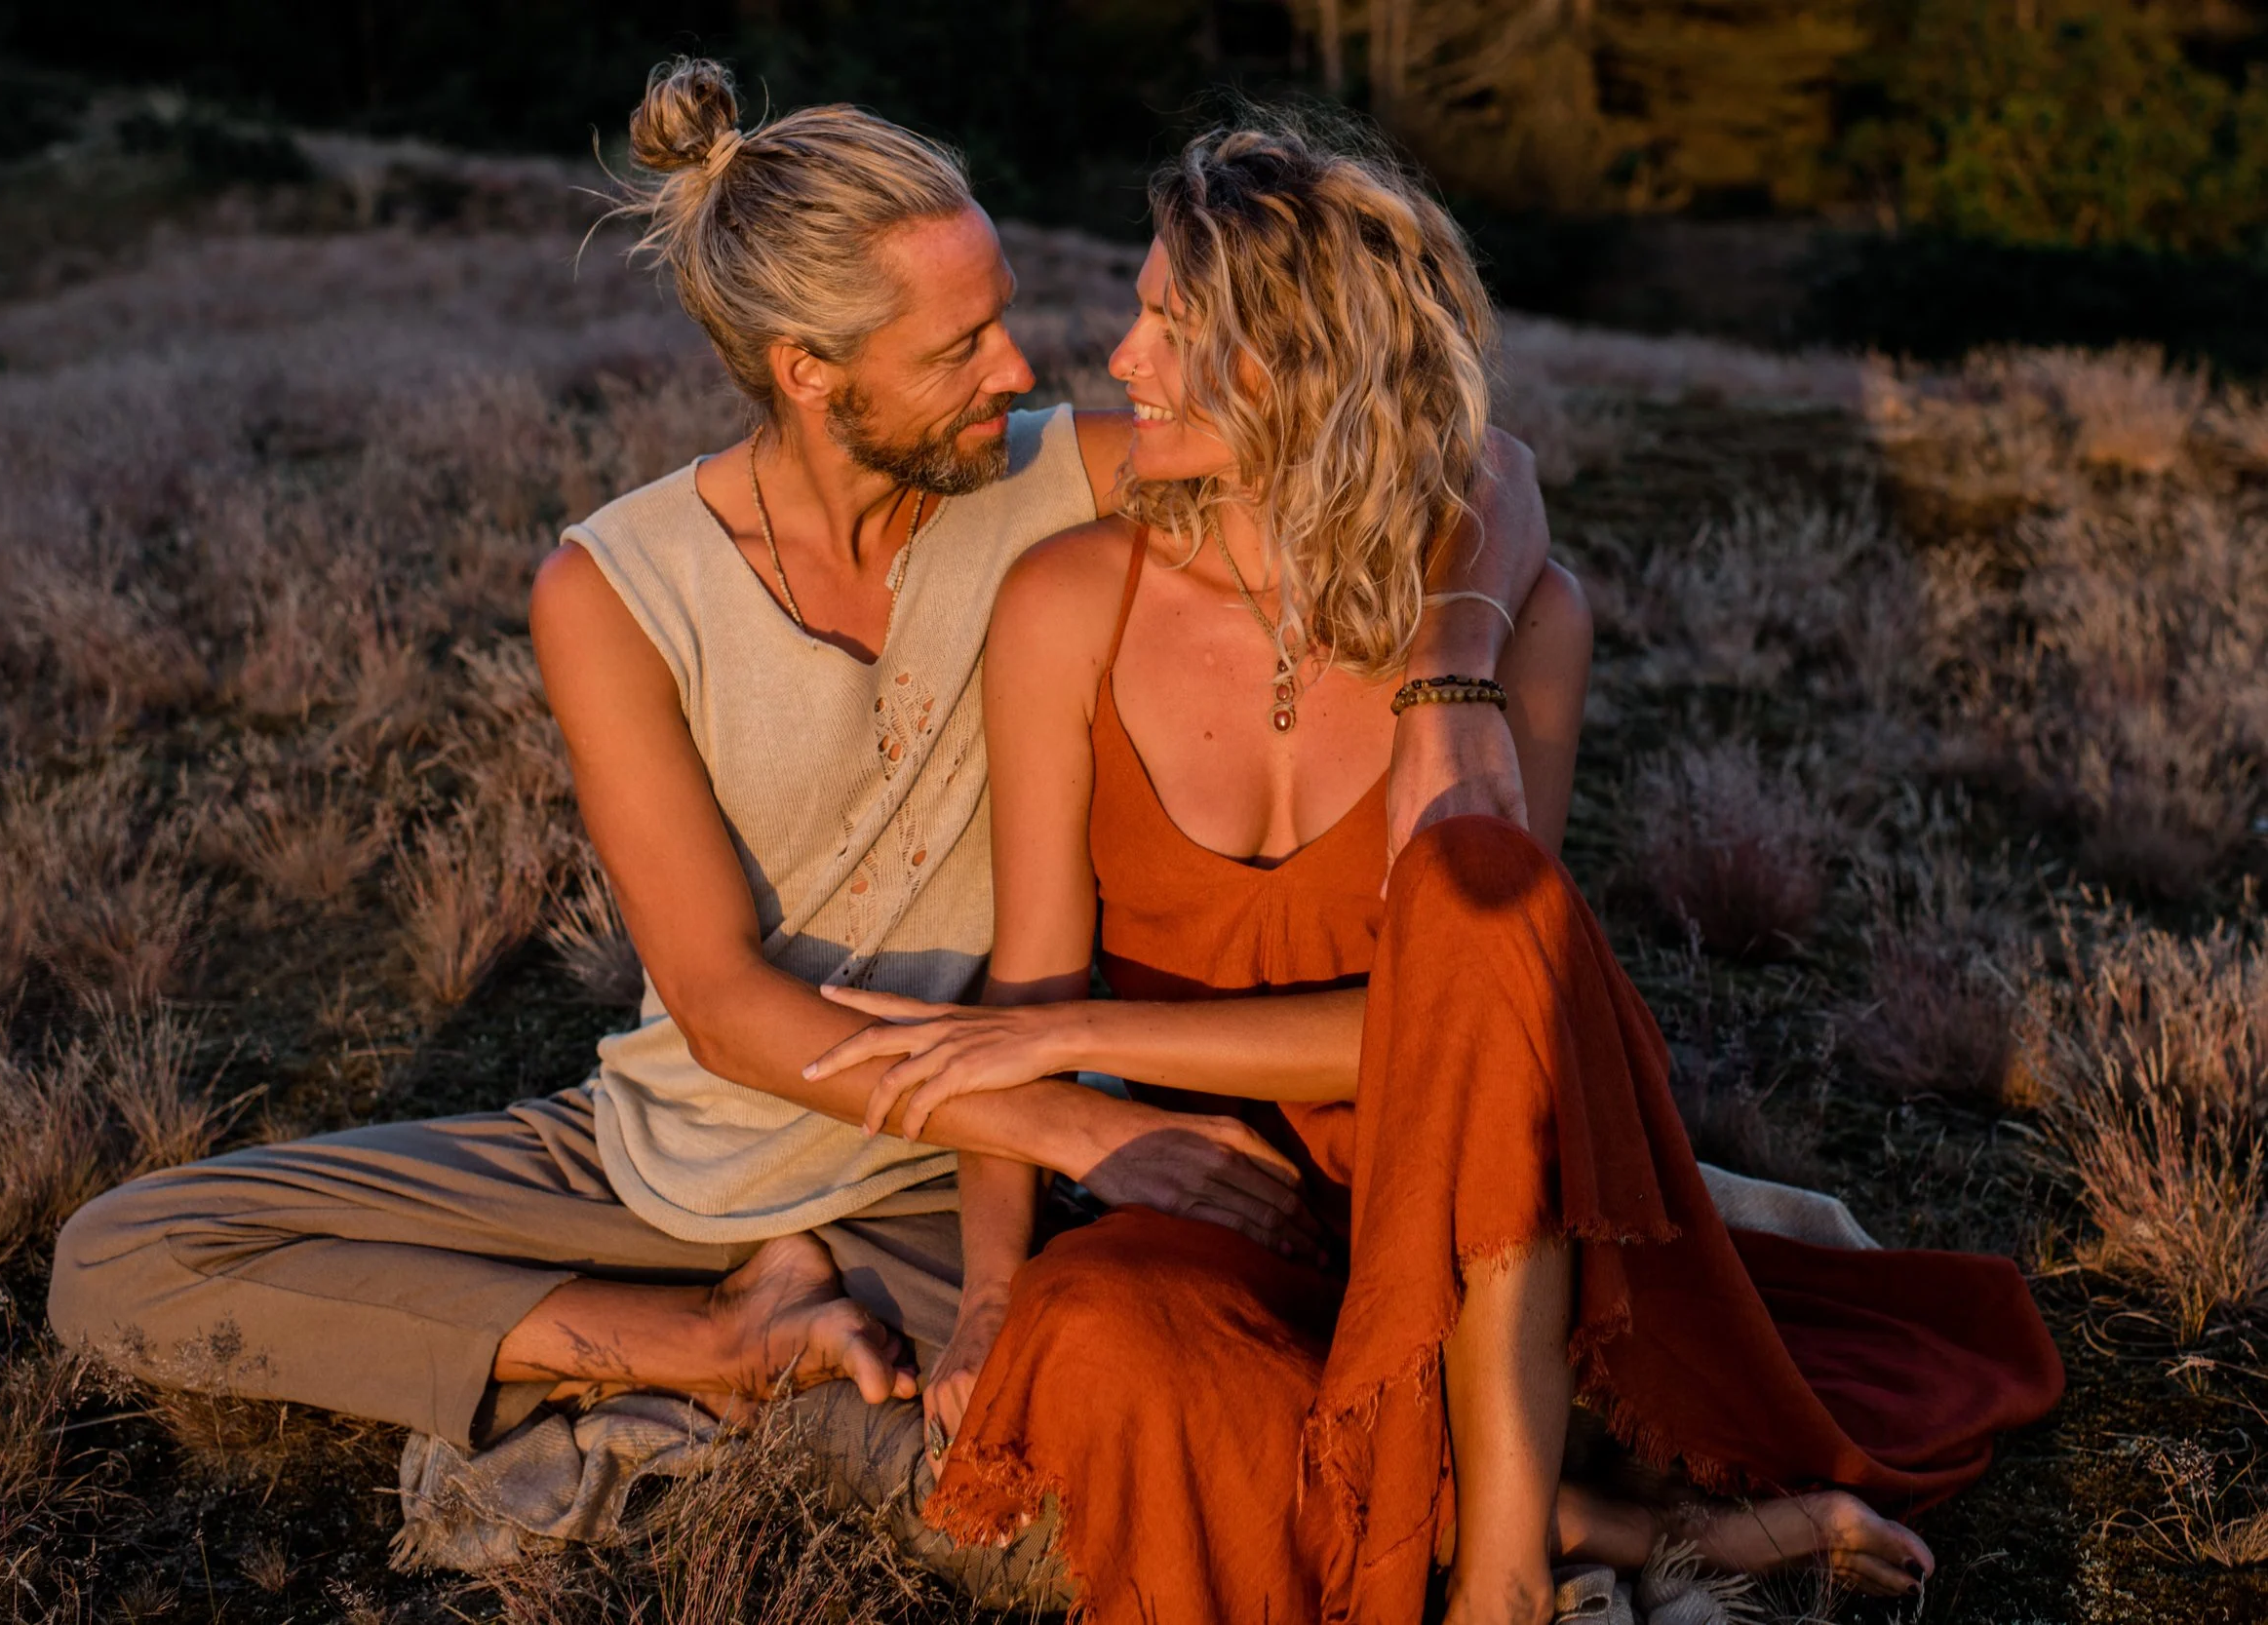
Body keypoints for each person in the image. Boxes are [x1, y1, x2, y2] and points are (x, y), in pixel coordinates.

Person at [44, 61, 1554, 1580]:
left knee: (1106, 1500)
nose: (1022, 368)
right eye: (959, 344)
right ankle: (710, 1349)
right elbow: (721, 1008)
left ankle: (783, 1382)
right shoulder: (617, 590)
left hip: (931, 1193)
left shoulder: (1053, 487)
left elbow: (1472, 454)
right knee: (121, 1261)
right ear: (810, 371)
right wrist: (1077, 1112)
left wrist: (1454, 665)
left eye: (1003, 314)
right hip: (672, 1163)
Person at [799, 120, 2066, 1625]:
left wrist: (1074, 1043)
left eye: (1173, 325)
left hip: (1487, 1231)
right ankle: (1612, 1520)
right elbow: (1032, 972)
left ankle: (1508, 1579)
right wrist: (997, 1280)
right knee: (1101, 1334)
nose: (1122, 354)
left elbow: (1474, 1025)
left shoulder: (1522, 624)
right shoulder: (1071, 600)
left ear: (1303, 367)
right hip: (1224, 1206)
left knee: (1487, 904)